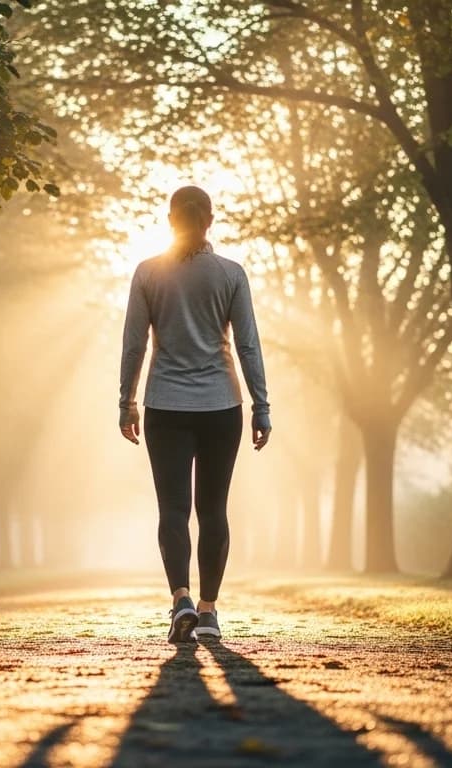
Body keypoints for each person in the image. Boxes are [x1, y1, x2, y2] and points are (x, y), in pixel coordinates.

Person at [118, 185, 270, 644]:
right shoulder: (230, 274)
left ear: (170, 220)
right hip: (222, 406)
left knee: (173, 509)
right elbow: (247, 345)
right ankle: (208, 612)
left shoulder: (148, 272)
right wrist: (261, 405)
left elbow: (134, 344)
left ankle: (180, 598)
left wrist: (126, 401)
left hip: (165, 404)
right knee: (213, 510)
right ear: (210, 220)